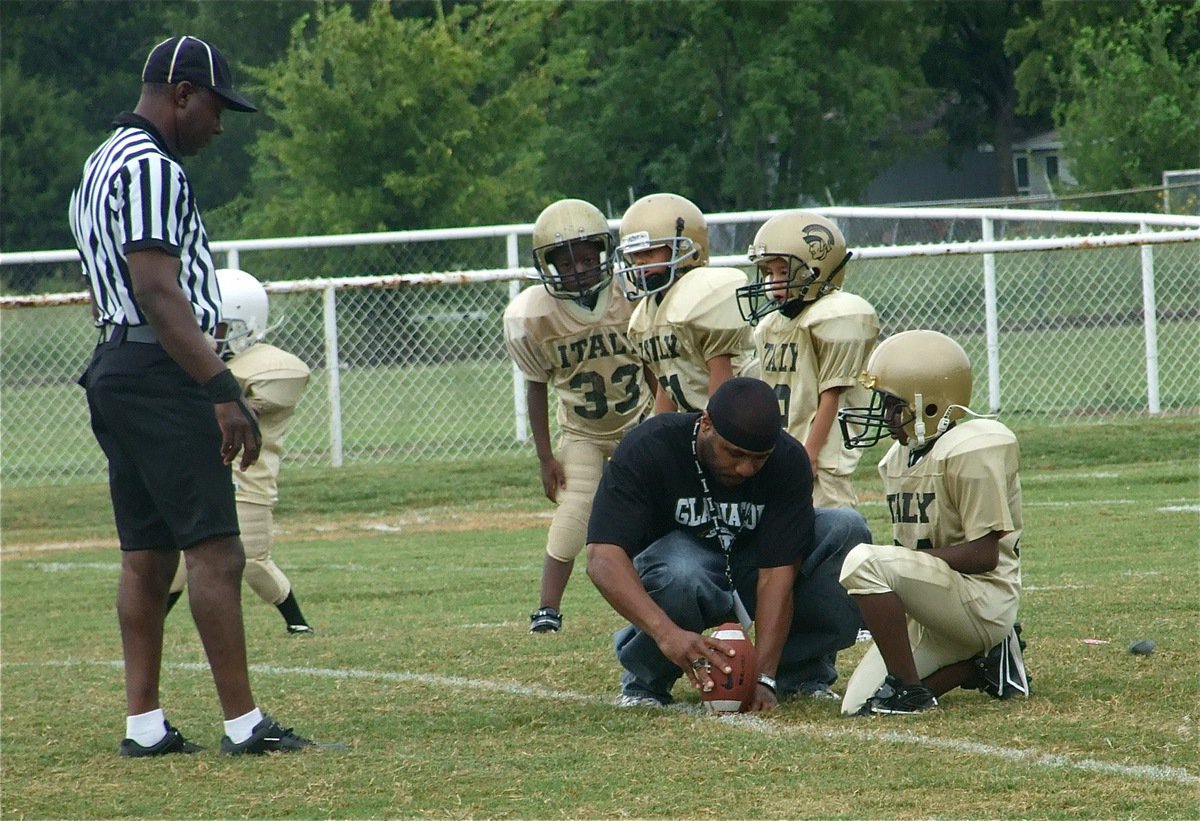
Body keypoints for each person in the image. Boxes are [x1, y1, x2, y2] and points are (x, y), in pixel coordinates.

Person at [69, 35, 321, 756]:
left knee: (146, 553)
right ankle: (245, 723)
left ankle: (143, 724)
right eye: (215, 107)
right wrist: (218, 385)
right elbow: (155, 289)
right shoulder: (153, 166)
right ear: (182, 93)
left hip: (116, 365)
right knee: (216, 550)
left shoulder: (101, 161)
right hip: (160, 370)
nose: (219, 125)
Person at [585, 377, 873, 708]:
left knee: (846, 529)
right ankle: (648, 681)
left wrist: (763, 677)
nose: (746, 468)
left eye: (759, 458)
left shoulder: (788, 459)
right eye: (734, 453)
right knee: (682, 571)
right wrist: (667, 633)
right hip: (680, 568)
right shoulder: (650, 445)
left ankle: (800, 673)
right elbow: (602, 558)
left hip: (751, 564)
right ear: (706, 423)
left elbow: (776, 576)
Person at [835, 330, 1029, 715]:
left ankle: (911, 693)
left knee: (863, 561)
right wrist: (904, 574)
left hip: (983, 600)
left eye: (894, 405)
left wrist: (898, 567)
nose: (885, 415)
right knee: (859, 706)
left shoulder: (973, 448)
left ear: (931, 406)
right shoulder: (897, 458)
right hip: (939, 601)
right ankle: (984, 663)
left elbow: (984, 554)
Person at [503, 199, 652, 633]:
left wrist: (663, 421)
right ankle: (547, 608)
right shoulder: (534, 314)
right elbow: (535, 385)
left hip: (639, 422)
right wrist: (545, 457)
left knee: (658, 511)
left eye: (588, 259)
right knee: (572, 512)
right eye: (567, 264)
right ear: (548, 267)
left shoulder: (631, 297)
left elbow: (652, 366)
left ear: (605, 255)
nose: (579, 270)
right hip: (582, 430)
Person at [165, 268, 315, 635]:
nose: (206, 335)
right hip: (201, 475)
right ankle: (152, 623)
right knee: (180, 559)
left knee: (253, 559)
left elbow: (271, 386)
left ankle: (297, 623)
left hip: (246, 478)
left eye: (217, 326)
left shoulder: (268, 366)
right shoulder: (201, 361)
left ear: (246, 324)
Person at [736, 211, 880, 509]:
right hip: (787, 445)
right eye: (767, 273)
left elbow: (831, 395)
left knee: (831, 533)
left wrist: (810, 453)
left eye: (782, 271)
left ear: (816, 269)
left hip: (821, 458)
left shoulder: (834, 317)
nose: (772, 282)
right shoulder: (771, 326)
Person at [615, 193, 752, 413]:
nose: (639, 262)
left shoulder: (702, 295)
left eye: (649, 252)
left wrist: (713, 432)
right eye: (634, 255)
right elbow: (667, 385)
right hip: (694, 420)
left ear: (685, 249)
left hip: (735, 414)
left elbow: (722, 379)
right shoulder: (646, 314)